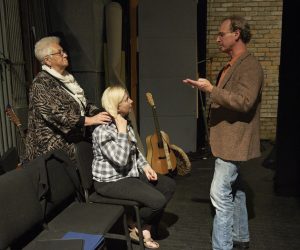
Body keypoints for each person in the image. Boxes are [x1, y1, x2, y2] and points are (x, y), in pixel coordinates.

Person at [183, 15, 264, 250]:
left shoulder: (249, 64)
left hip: (234, 141)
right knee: (235, 190)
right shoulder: (232, 63)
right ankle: (240, 237)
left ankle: (223, 246)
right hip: (227, 140)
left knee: (219, 195)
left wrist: (211, 89)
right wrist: (209, 88)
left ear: (236, 34)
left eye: (222, 34)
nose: (217, 39)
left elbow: (245, 102)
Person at [92, 85, 176, 249]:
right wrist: (122, 132)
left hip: (129, 174)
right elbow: (121, 160)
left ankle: (143, 226)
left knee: (168, 185)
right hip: (111, 181)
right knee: (157, 201)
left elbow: (134, 151)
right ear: (116, 105)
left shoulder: (125, 123)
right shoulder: (102, 131)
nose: (131, 101)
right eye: (126, 99)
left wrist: (145, 166)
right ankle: (136, 225)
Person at [24, 36, 111, 163]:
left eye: (63, 51)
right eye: (60, 52)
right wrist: (89, 120)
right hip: (51, 151)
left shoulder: (66, 78)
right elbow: (54, 113)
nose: (65, 55)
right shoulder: (40, 83)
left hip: (72, 143)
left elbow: (84, 103)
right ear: (48, 60)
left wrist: (99, 113)